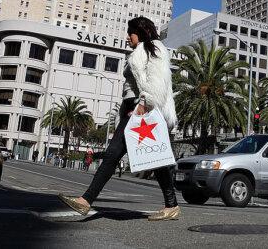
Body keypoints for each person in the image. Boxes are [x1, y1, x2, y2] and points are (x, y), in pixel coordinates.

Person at [58, 16, 180, 221]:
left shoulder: (154, 48)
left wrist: (143, 105)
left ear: (139, 33)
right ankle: (172, 206)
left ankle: (86, 200)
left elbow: (157, 82)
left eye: (130, 32)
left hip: (141, 107)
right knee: (157, 161)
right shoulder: (140, 51)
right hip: (130, 107)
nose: (127, 36)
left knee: (114, 154)